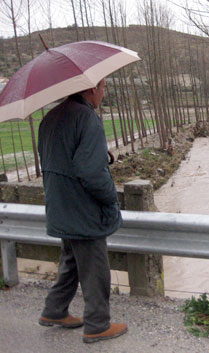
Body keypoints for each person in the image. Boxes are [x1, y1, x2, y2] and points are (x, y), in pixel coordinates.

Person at [37, 78, 128, 344]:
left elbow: (61, 157)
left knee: (72, 261)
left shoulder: (52, 117)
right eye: (103, 87)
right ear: (91, 89)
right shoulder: (87, 118)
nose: (104, 93)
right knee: (95, 268)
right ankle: (98, 325)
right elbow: (89, 172)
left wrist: (100, 154)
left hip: (60, 204)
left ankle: (54, 310)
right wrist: (111, 197)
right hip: (83, 208)